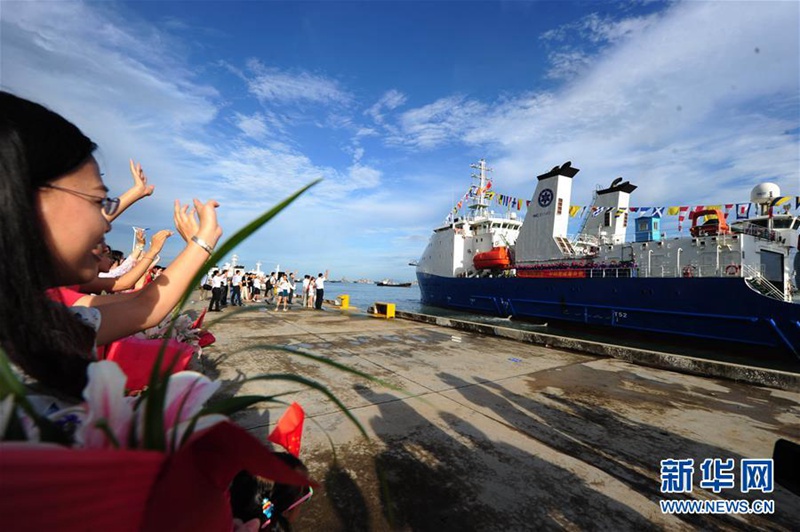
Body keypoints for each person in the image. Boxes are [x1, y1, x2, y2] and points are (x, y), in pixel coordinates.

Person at [0, 91, 222, 399]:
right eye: (98, 201)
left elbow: (143, 306)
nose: (106, 225)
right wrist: (192, 244)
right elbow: (134, 295)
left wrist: (200, 242)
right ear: (19, 199)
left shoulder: (33, 325)